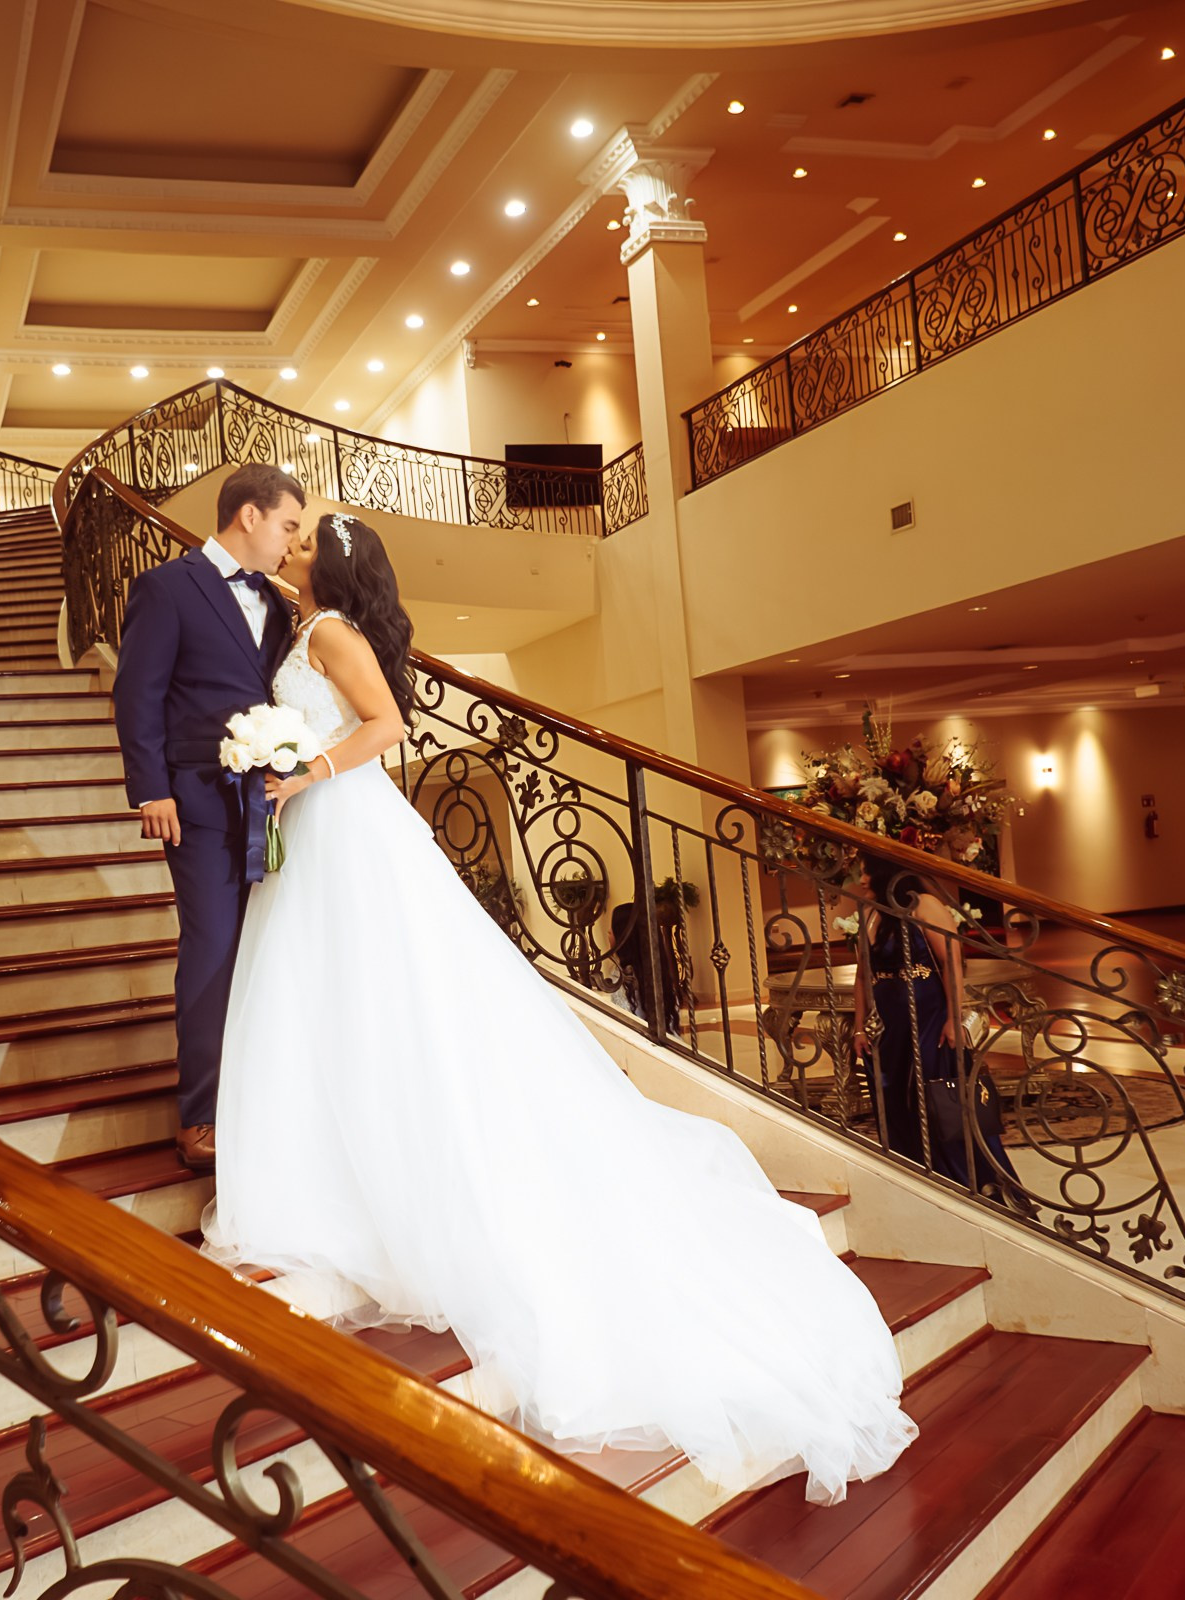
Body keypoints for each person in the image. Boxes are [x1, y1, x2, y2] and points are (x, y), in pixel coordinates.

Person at [202, 511, 915, 1503]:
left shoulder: (327, 634)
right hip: (335, 832)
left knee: (365, 1003)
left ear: (328, 564)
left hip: (341, 825)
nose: (291, 549)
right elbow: (277, 594)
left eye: (304, 541)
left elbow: (387, 728)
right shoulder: (314, 617)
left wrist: (301, 772)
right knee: (339, 1006)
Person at [112, 464, 303, 1171]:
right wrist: (150, 789)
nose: (290, 543)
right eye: (287, 525)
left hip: (272, 803)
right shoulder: (167, 587)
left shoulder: (282, 606)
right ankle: (200, 1115)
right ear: (249, 516)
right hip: (195, 803)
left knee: (270, 954)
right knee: (214, 952)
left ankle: (265, 1098)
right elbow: (138, 694)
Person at [848, 854, 1021, 1204]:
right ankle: (916, 1178)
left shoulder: (925, 905)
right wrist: (858, 1028)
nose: (862, 878)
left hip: (928, 1018)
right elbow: (862, 975)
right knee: (896, 1097)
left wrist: (954, 1019)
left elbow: (952, 962)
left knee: (938, 1096)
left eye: (866, 870)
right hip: (889, 1027)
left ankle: (972, 1184)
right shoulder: (871, 910)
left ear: (886, 870)